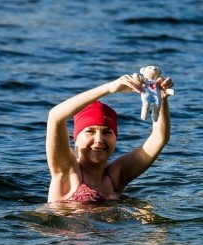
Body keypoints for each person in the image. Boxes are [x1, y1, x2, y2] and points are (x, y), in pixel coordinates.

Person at [45, 73, 174, 203]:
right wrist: (109, 88)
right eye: (90, 131)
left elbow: (159, 138)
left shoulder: (116, 175)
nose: (99, 139)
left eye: (107, 132)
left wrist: (161, 99)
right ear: (76, 138)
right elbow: (55, 116)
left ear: (115, 138)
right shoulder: (66, 171)